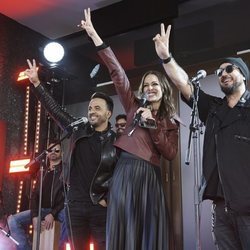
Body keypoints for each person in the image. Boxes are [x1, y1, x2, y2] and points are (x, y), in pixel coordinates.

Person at [80, 8, 180, 250]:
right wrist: (95, 36)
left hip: (149, 175)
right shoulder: (133, 107)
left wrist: (155, 125)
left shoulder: (170, 122)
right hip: (124, 172)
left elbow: (170, 153)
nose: (150, 88)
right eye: (146, 85)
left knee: (147, 232)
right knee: (124, 231)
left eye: (155, 84)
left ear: (164, 89)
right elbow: (117, 72)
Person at [153, 23, 250, 250]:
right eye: (219, 72)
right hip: (222, 206)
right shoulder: (213, 109)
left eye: (229, 69)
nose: (222, 74)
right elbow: (183, 83)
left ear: (243, 75)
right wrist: (167, 58)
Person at [24, 60, 117, 250]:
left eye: (97, 108)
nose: (91, 111)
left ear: (108, 114)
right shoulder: (78, 129)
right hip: (74, 205)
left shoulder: (116, 141)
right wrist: (36, 84)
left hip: (100, 207)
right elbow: (55, 110)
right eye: (90, 108)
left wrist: (108, 198)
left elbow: (121, 175)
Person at [7, 141, 68, 250]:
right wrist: (35, 215)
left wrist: (53, 214)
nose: (53, 152)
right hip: (42, 209)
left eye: (57, 150)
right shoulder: (42, 171)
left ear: (62, 153)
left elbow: (66, 195)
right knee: (12, 220)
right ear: (47, 153)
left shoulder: (65, 170)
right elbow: (35, 195)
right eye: (50, 150)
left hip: (58, 210)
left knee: (69, 217)